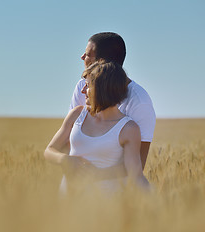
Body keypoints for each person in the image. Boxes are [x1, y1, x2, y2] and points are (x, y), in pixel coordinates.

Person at [44, 61, 149, 195]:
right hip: (67, 202)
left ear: (102, 89)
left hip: (105, 207)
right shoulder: (76, 115)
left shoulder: (128, 128)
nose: (82, 91)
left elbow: (135, 173)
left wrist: (96, 174)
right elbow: (49, 150)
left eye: (87, 85)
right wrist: (64, 160)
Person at [70, 32, 156, 170]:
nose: (82, 57)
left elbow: (138, 164)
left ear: (101, 63)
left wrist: (92, 176)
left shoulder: (140, 102)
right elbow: (71, 139)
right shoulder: (82, 86)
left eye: (87, 54)